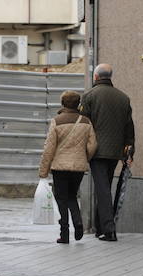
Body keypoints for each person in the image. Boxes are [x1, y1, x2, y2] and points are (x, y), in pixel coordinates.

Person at [79, 64, 135, 242]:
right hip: (115, 151)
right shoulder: (123, 98)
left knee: (102, 189)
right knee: (104, 187)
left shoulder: (89, 96)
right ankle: (100, 227)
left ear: (96, 77)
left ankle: (109, 230)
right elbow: (129, 127)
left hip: (97, 151)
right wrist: (129, 150)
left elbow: (83, 126)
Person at [39, 91, 98, 244]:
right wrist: (84, 158)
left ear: (63, 104)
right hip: (78, 167)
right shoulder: (86, 121)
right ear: (78, 104)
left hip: (59, 167)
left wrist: (43, 171)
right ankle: (78, 222)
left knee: (61, 198)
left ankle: (64, 234)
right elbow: (93, 145)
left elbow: (49, 149)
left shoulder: (57, 121)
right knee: (72, 196)